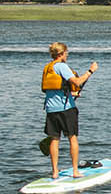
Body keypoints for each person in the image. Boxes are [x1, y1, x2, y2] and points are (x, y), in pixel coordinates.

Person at [41, 41, 98, 178]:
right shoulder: (62, 66)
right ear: (61, 54)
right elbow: (77, 82)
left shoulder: (48, 68)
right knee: (72, 138)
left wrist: (72, 94)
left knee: (54, 139)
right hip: (66, 109)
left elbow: (54, 90)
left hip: (51, 109)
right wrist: (90, 71)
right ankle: (75, 171)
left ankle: (55, 172)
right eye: (66, 53)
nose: (67, 55)